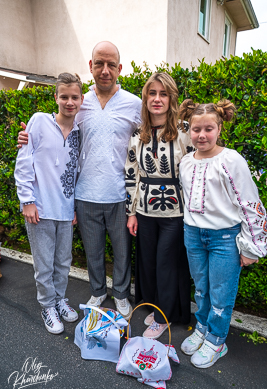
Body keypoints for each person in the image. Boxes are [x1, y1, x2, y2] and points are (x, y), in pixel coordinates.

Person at [18, 42, 142, 320]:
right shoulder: (80, 102)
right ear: (91, 66)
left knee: (122, 253)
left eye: (111, 65)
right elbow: (53, 134)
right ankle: (98, 291)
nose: (105, 70)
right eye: (99, 63)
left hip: (120, 195)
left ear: (120, 68)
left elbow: (152, 136)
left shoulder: (135, 104)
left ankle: (121, 294)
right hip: (83, 194)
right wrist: (26, 139)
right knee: (93, 251)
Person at [178, 99, 267, 368]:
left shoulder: (231, 160)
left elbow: (251, 204)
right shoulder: (185, 162)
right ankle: (203, 328)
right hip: (193, 234)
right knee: (202, 289)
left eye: (208, 129)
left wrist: (252, 247)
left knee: (221, 292)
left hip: (224, 239)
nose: (202, 135)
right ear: (189, 129)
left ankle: (217, 340)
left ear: (219, 128)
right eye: (196, 129)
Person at [125, 72, 193, 339]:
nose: (157, 99)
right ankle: (154, 305)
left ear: (171, 98)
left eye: (163, 93)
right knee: (149, 262)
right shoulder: (137, 132)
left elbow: (197, 169)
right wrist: (131, 212)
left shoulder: (185, 130)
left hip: (176, 212)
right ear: (145, 98)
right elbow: (132, 173)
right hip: (144, 210)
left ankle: (164, 315)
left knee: (167, 262)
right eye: (152, 93)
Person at [15, 73, 84, 334]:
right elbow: (24, 162)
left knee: (63, 261)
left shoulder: (79, 131)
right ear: (55, 97)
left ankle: (59, 299)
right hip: (40, 209)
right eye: (64, 96)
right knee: (44, 263)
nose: (69, 102)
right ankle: (47, 305)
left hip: (65, 209)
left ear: (81, 99)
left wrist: (74, 206)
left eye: (74, 97)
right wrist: (27, 201)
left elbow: (76, 172)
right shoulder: (39, 122)